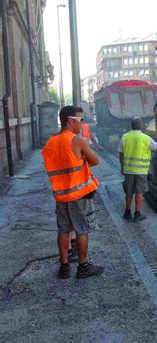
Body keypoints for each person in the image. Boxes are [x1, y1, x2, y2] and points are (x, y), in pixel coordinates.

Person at [41, 105, 104, 279]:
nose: (82, 123)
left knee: (63, 230)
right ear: (70, 121)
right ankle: (83, 266)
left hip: (60, 195)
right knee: (81, 230)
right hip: (79, 195)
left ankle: (64, 267)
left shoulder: (50, 143)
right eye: (80, 120)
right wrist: (82, 157)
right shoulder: (77, 140)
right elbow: (95, 160)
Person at [118, 116, 157, 222]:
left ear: (131, 126)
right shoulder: (146, 138)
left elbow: (121, 154)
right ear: (141, 126)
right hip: (141, 171)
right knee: (139, 192)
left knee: (128, 192)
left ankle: (127, 212)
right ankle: (137, 214)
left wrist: (122, 167)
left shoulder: (125, 137)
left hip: (128, 170)